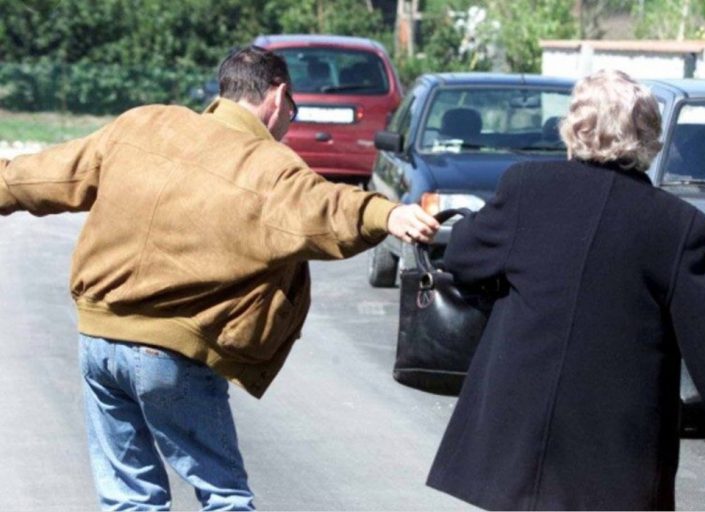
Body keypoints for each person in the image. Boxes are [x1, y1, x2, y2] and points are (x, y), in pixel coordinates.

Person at [0, 45, 438, 511]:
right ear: (278, 97)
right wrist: (386, 213)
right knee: (224, 498)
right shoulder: (266, 165)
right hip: (169, 353)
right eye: (294, 110)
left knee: (128, 501)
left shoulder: (144, 124)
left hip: (99, 342)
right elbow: (324, 207)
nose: (290, 122)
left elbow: (48, 175)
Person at [426, 69, 705, 510]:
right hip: (615, 458)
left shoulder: (526, 187)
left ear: (574, 128)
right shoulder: (677, 225)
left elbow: (462, 257)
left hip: (517, 444)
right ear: (650, 139)